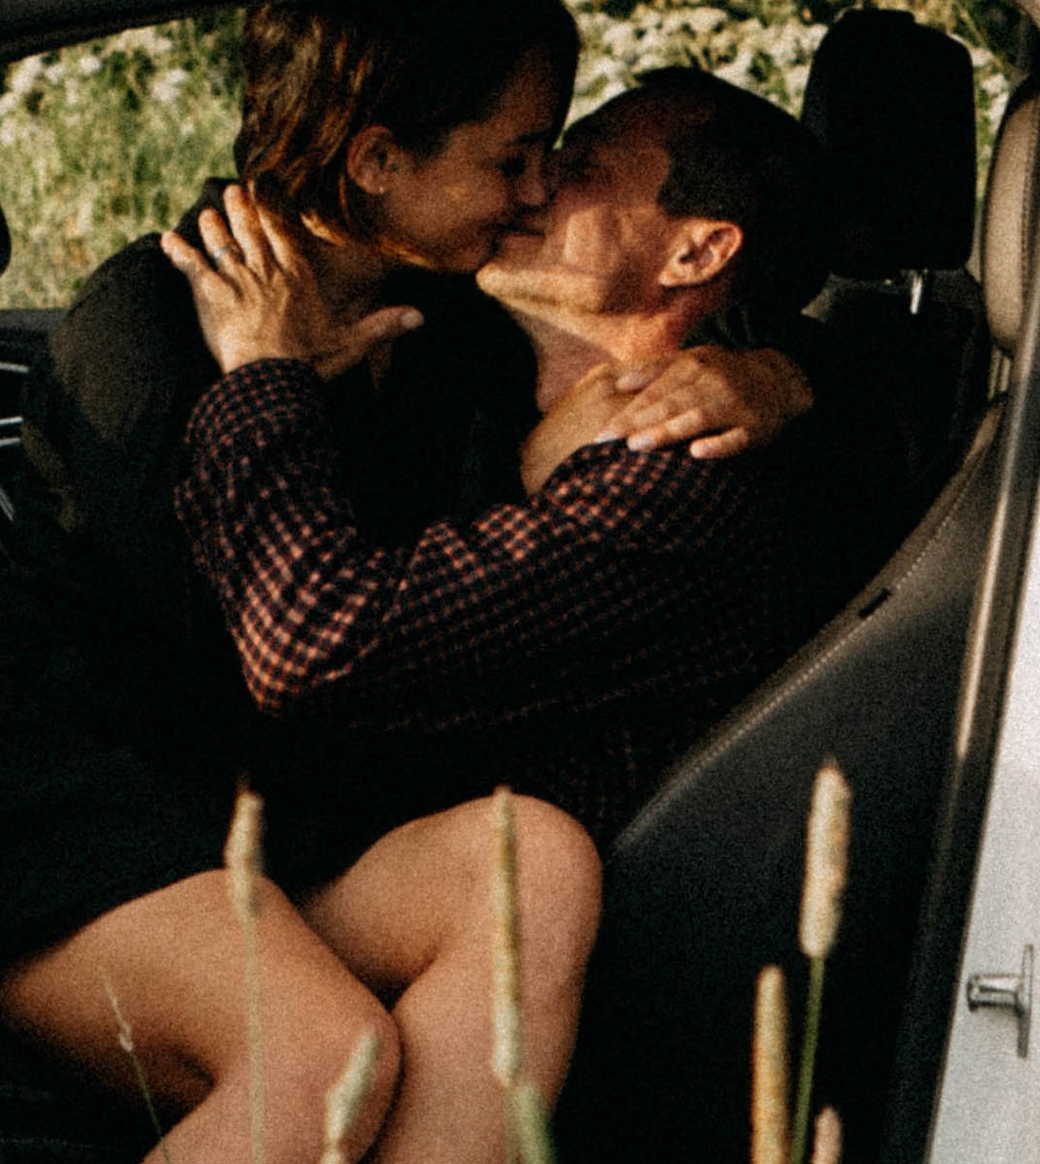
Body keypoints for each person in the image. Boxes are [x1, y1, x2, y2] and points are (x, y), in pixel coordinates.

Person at [0, 0, 809, 1164]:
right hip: (78, 814)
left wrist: (781, 377)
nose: (534, 190)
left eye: (559, 162)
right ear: (378, 161)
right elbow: (265, 666)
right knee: (327, 1052)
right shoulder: (152, 324)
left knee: (537, 863)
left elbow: (640, 349)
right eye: (518, 156)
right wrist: (268, 388)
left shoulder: (443, 322)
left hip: (262, 832)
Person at [170, 69, 836, 844]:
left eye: (582, 168)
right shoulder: (468, 354)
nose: (532, 184)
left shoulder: (675, 479)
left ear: (696, 252)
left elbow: (316, 646)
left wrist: (259, 377)